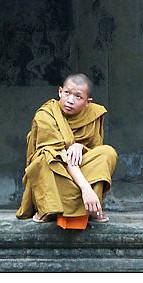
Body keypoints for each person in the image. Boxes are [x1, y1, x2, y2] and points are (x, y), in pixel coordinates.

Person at [16, 73, 117, 229]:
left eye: (78, 97)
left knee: (107, 153)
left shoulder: (93, 114)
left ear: (87, 102)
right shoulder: (46, 114)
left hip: (78, 169)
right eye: (67, 93)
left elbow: (94, 150)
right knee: (47, 155)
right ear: (60, 92)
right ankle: (49, 207)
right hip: (55, 170)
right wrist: (85, 188)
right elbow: (60, 153)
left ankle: (90, 208)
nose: (70, 100)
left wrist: (79, 147)